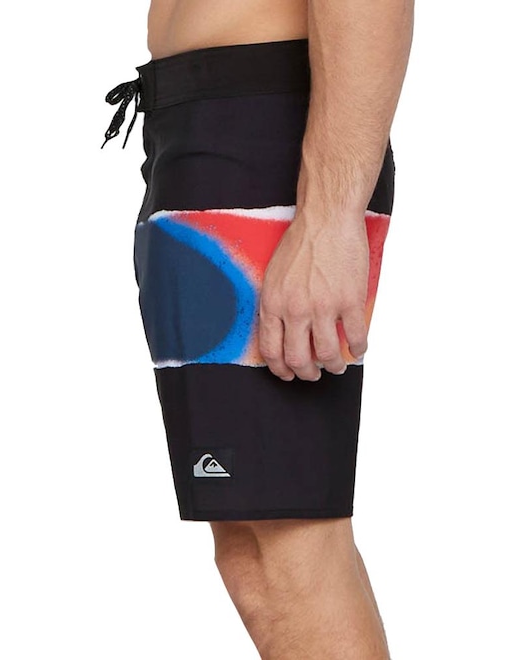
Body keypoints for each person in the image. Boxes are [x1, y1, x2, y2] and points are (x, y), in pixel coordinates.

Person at [102, 1, 414, 657]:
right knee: (253, 548)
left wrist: (329, 220)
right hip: (200, 124)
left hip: (263, 136)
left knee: (284, 556)